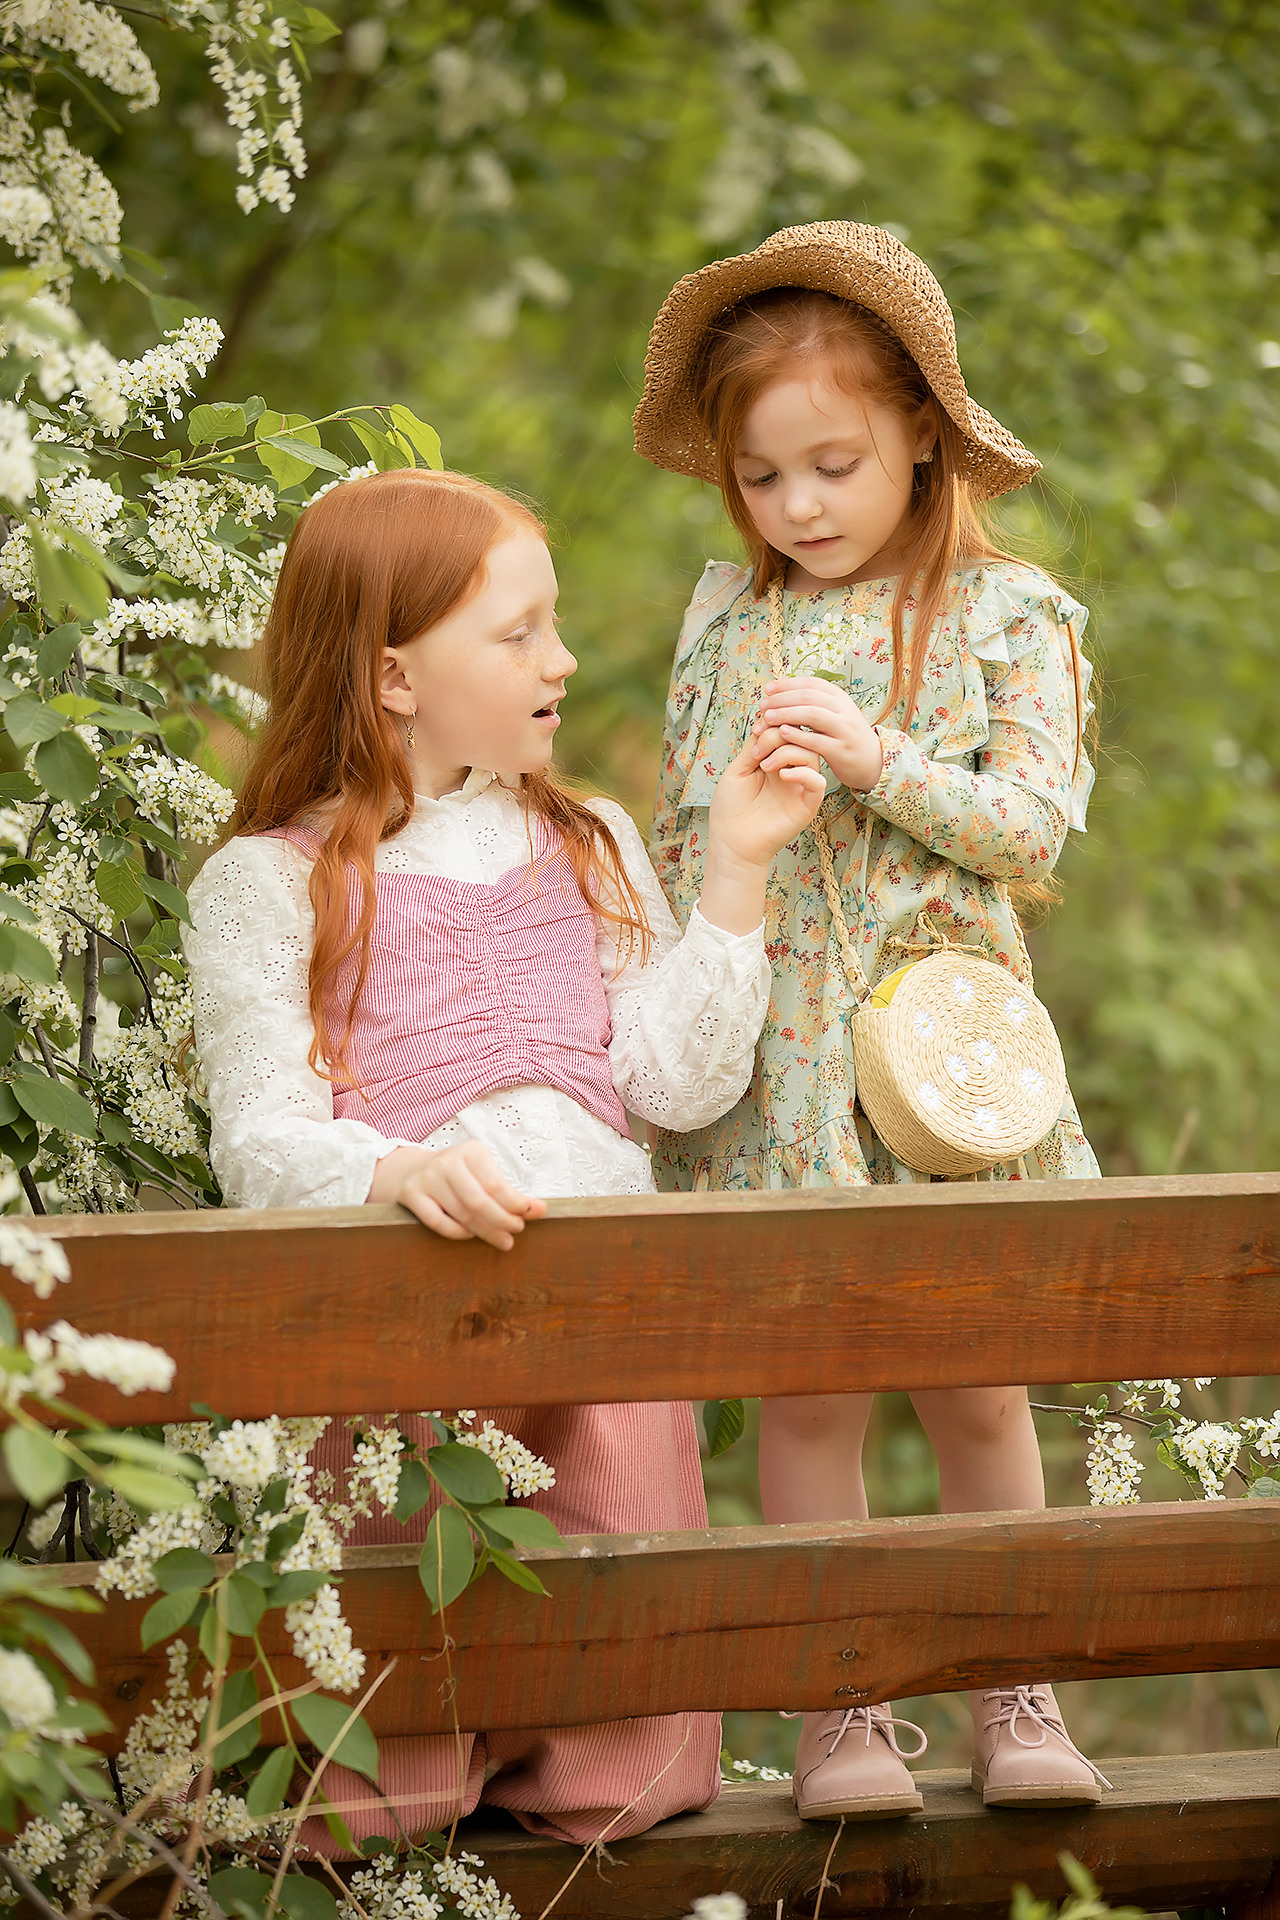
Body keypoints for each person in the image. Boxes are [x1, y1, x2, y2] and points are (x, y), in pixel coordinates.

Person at [183, 466, 825, 1850]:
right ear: (396, 674)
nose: (563, 659)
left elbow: (672, 1075)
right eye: (520, 631)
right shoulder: (272, 883)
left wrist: (734, 874)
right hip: (416, 1368)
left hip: (602, 1360)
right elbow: (263, 1143)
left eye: (557, 623)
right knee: (381, 1798)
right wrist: (394, 1170)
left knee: (623, 1782)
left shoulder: (579, 841)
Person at [635, 221, 1109, 1820]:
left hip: (943, 1062)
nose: (799, 509)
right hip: (781, 1065)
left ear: (920, 422)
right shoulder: (728, 623)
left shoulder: (1005, 615)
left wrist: (875, 759)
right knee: (810, 1391)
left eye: (831, 464)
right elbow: (681, 838)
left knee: (978, 1385)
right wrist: (736, 837)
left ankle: (1017, 1696)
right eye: (763, 480)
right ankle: (838, 1713)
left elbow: (1034, 831)